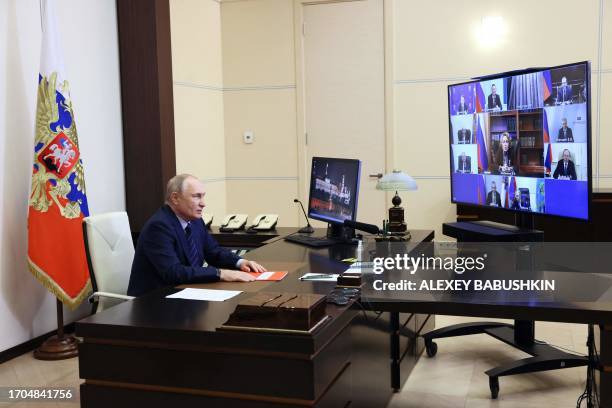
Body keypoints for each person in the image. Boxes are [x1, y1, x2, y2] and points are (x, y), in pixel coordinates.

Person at [127, 174, 267, 296]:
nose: (203, 204)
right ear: (175, 198)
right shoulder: (159, 227)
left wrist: (240, 262)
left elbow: (213, 252)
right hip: (154, 302)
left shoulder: (195, 221)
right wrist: (221, 274)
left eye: (203, 196)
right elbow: (174, 272)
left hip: (186, 293)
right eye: (196, 197)